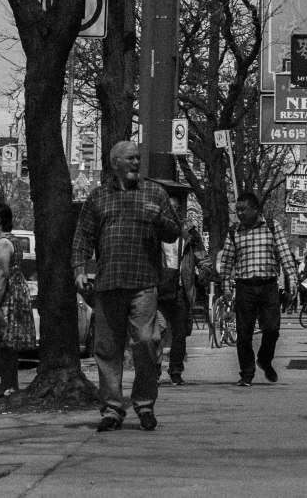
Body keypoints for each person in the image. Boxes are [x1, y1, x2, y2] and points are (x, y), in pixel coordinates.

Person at [72, 140, 180, 432]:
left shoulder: (154, 193)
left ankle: (144, 405)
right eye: (130, 158)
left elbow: (173, 233)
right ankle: (112, 410)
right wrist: (80, 269)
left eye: (138, 158)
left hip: (143, 283)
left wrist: (160, 219)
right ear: (114, 163)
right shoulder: (98, 197)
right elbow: (83, 236)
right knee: (107, 350)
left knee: (145, 342)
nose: (136, 163)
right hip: (108, 283)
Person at [219, 190, 299, 386]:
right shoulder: (234, 232)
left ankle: (264, 359)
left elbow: (284, 253)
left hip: (268, 286)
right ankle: (246, 374)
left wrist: (292, 278)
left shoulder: (272, 226)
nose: (240, 213)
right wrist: (226, 286)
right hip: (245, 287)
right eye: (237, 210)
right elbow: (227, 261)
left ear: (256, 209)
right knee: (244, 333)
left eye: (243, 209)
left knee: (272, 329)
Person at [0, 202, 36, 397]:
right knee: (7, 344)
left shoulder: (3, 243)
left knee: (5, 343)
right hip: (12, 295)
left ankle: (7, 386)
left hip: (7, 299)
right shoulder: (10, 240)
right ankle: (9, 385)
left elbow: (3, 274)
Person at [156, 221, 214, 385]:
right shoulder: (154, 230)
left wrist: (204, 273)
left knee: (180, 334)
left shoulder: (191, 235)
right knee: (157, 332)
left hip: (181, 290)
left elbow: (203, 259)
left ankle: (175, 371)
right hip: (158, 290)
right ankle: (154, 371)